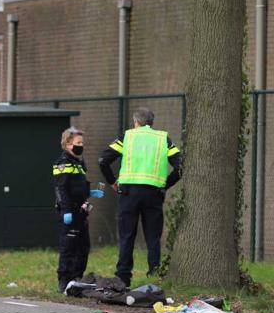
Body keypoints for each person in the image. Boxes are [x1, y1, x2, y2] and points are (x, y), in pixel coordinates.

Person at [98, 107, 182, 287]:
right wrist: (166, 184)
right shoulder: (163, 139)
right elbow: (180, 166)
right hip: (153, 193)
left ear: (136, 122)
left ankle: (123, 278)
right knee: (153, 237)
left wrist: (112, 181)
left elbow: (103, 160)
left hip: (129, 193)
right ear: (152, 123)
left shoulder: (127, 137)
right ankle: (154, 276)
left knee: (127, 235)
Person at [53, 127, 104, 293]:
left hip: (81, 211)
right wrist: (66, 210)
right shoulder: (63, 163)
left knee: (83, 247)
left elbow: (77, 187)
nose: (81, 145)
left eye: (82, 143)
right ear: (68, 144)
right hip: (70, 211)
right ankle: (64, 280)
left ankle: (77, 279)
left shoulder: (79, 163)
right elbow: (61, 189)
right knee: (68, 246)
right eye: (78, 143)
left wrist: (90, 193)